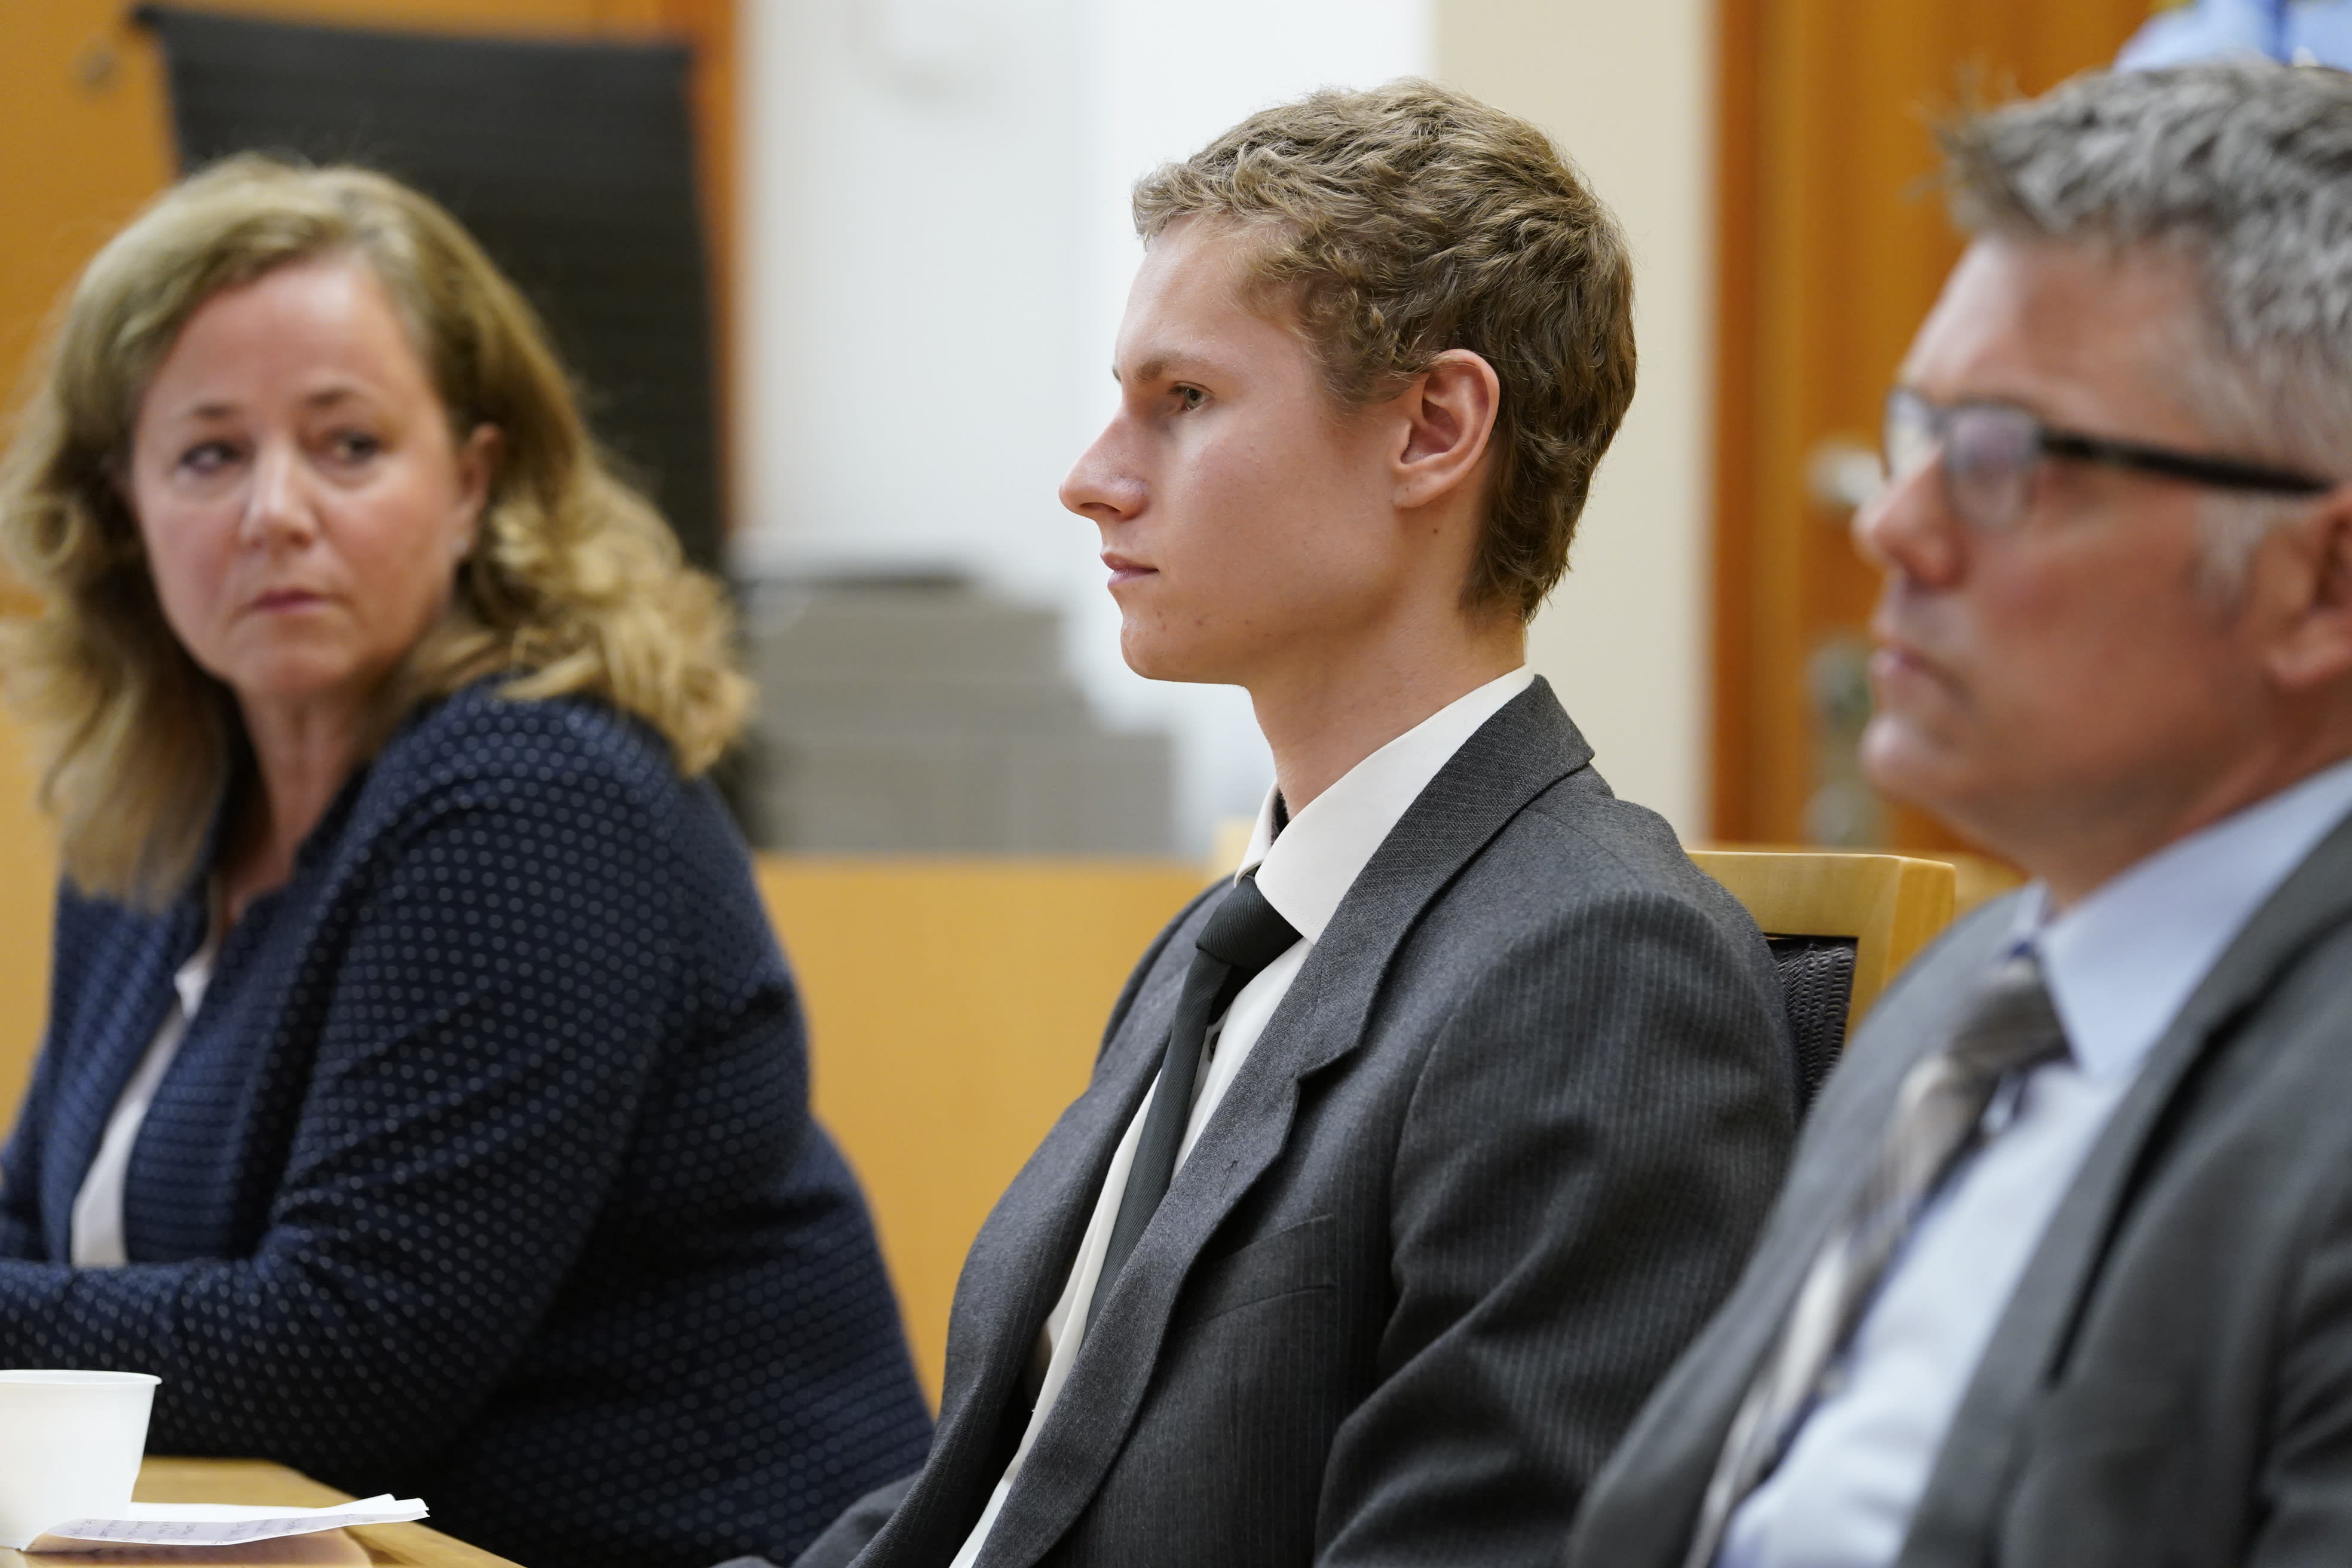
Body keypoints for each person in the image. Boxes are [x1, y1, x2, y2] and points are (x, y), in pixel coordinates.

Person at [787, 81, 1799, 1568]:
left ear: (1433, 429)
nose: (1091, 480)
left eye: (1185, 401)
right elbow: (992, 1499)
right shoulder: (1220, 943)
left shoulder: (1602, 969)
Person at [0, 157, 930, 1568]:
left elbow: (350, 1350)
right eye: (208, 456)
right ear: (121, 506)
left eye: (349, 445)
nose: (275, 509)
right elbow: (38, 1228)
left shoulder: (537, 792)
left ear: (472, 484)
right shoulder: (154, 808)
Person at [1565, 59, 2352, 1568]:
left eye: (2007, 458)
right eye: (1918, 428)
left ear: (2323, 583)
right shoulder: (1968, 1003)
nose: (1891, 521)